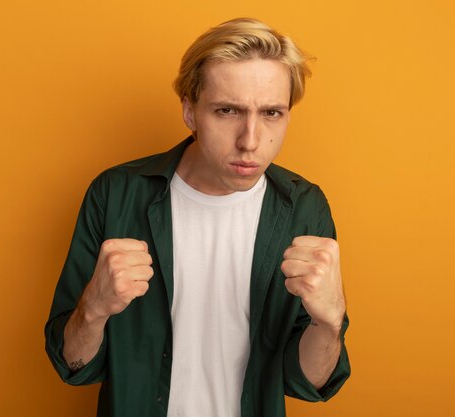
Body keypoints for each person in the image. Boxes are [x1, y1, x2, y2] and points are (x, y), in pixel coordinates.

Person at [45, 17, 350, 417]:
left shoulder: (305, 206)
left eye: (272, 113)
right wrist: (94, 308)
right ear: (189, 111)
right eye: (227, 111)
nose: (251, 141)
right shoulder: (116, 193)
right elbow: (73, 366)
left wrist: (328, 324)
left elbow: (308, 384)